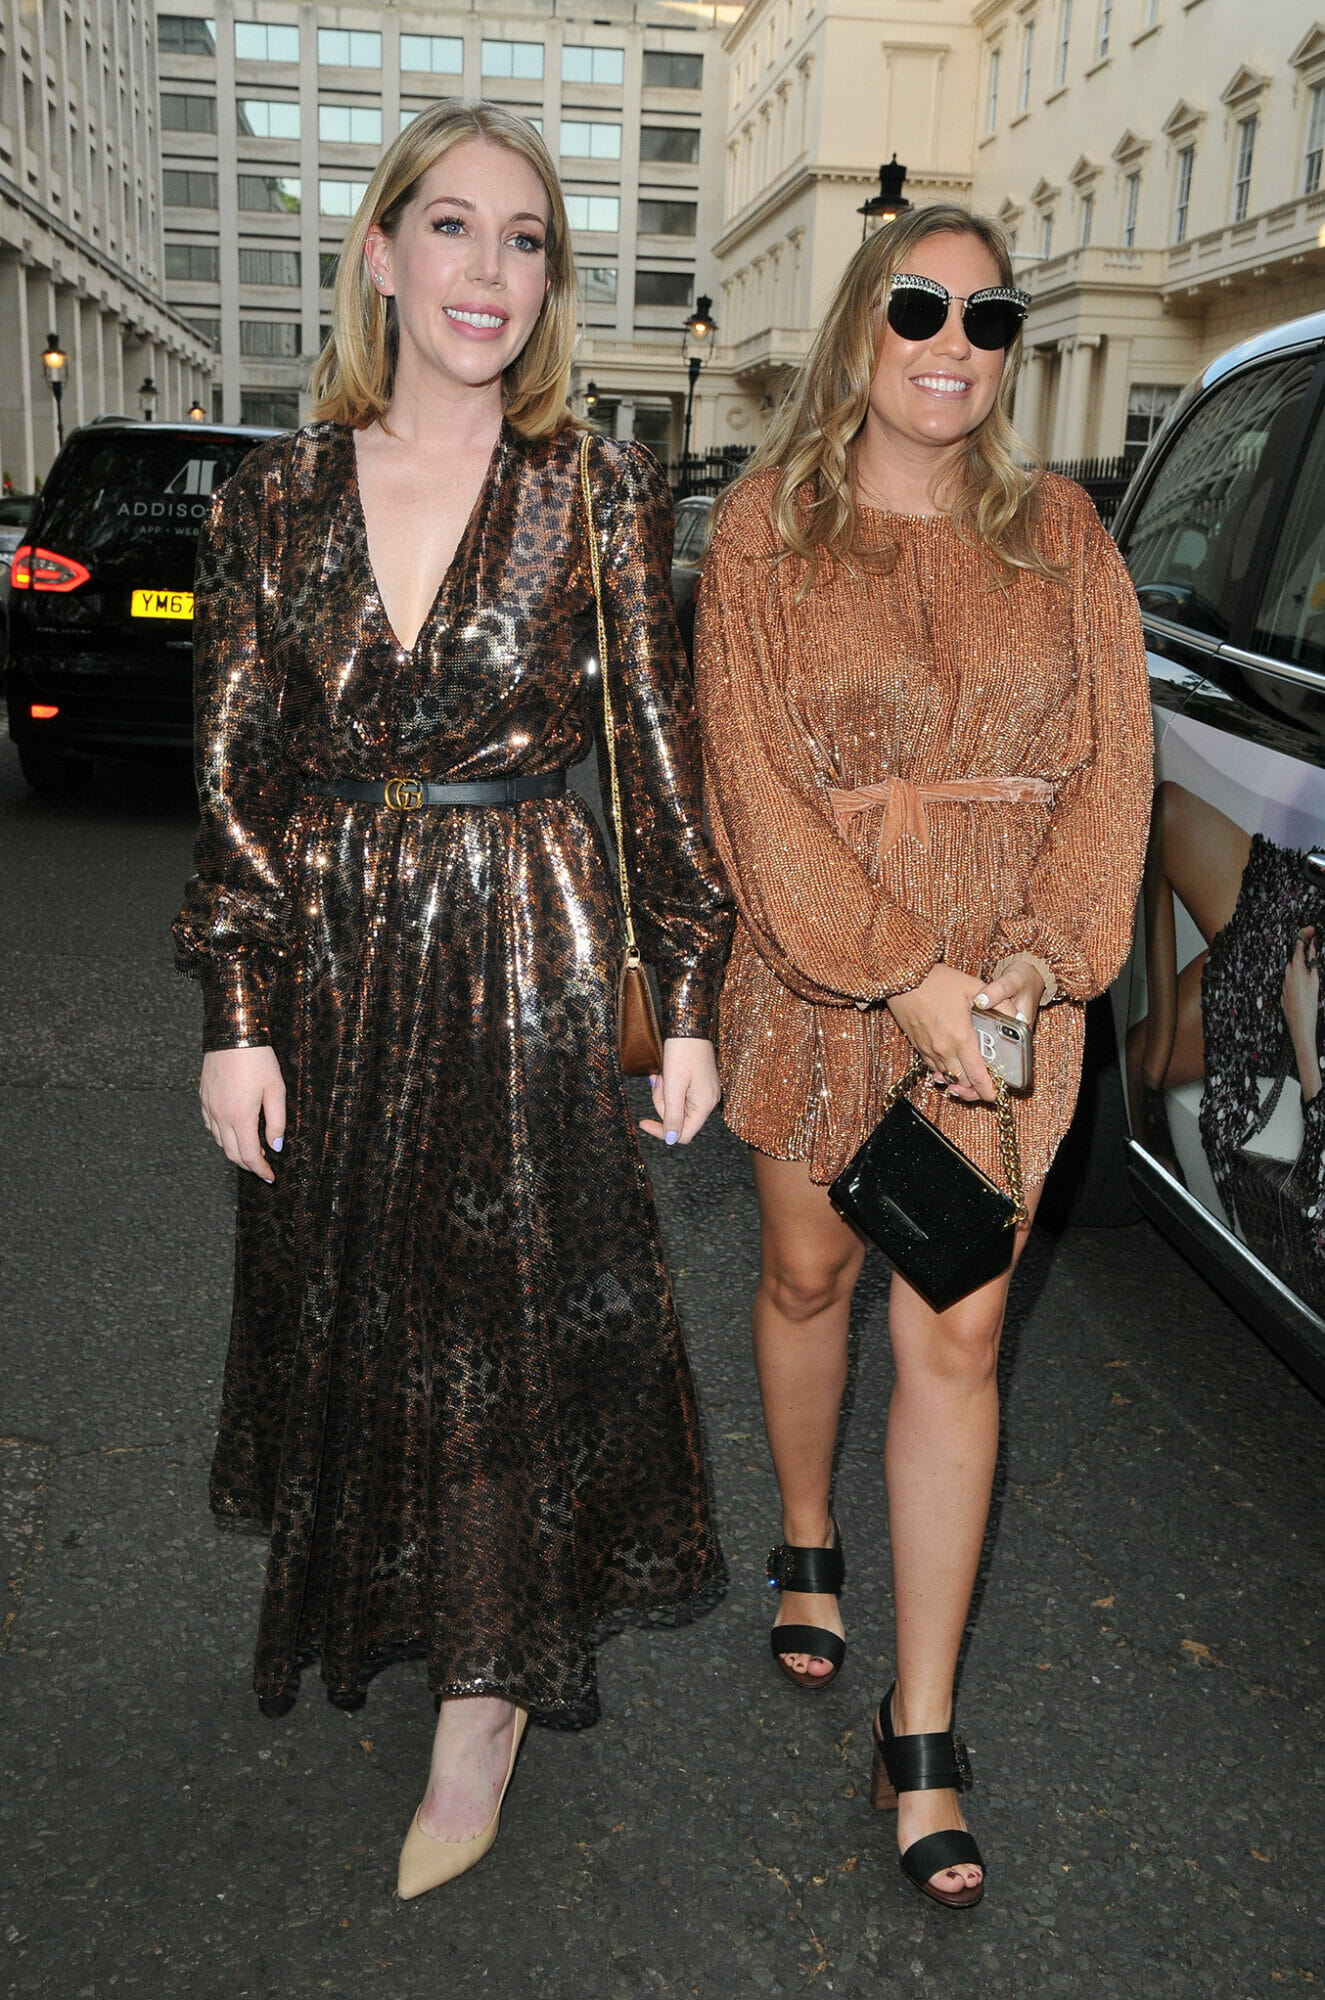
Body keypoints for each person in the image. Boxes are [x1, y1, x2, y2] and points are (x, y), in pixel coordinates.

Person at [173, 101, 731, 1900]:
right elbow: (236, 775)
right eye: (454, 229)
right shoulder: (267, 498)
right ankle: (391, 1605)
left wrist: (690, 998)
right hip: (329, 961)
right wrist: (237, 1011)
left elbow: (653, 771)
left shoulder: (604, 491)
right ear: (381, 252)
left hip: (528, 954)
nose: (489, 271)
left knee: (497, 1334)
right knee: (357, 1315)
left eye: (525, 240)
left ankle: (480, 1701)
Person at [695, 204, 1152, 1909]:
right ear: (857, 329)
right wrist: (903, 979)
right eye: (917, 307)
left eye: (987, 315)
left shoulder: (1065, 536)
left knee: (951, 1343)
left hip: (1018, 1008)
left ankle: (925, 1723)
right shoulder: (762, 530)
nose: (951, 343)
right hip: (826, 981)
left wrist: (1027, 969)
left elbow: (1111, 775)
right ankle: (806, 1537)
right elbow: (751, 787)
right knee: (808, 1277)